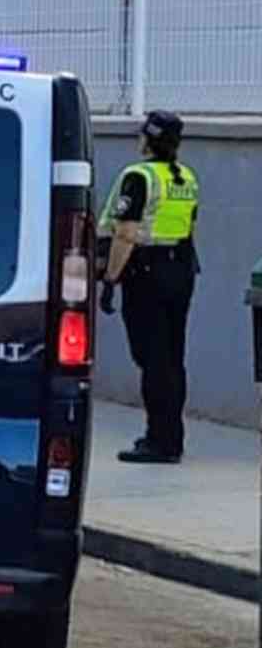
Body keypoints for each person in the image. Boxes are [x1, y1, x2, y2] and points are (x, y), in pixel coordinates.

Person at [100, 110, 200, 464]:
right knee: (173, 358)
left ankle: (158, 441)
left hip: (146, 274)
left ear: (147, 139)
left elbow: (126, 233)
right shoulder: (186, 177)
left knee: (152, 360)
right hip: (181, 271)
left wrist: (110, 278)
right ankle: (172, 436)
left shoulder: (139, 176)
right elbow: (189, 227)